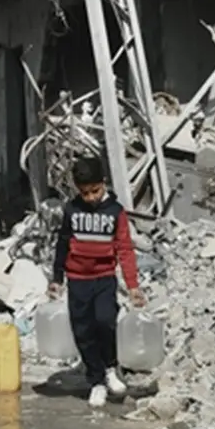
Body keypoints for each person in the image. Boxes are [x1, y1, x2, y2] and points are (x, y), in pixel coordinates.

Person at [48, 157, 146, 408]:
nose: (90, 197)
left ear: (103, 184)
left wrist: (133, 285)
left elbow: (124, 249)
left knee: (105, 322)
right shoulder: (72, 210)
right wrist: (57, 278)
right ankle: (96, 381)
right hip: (78, 280)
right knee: (83, 330)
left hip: (104, 279)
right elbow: (63, 244)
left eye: (95, 191)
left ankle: (111, 368)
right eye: (85, 192)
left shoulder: (115, 212)